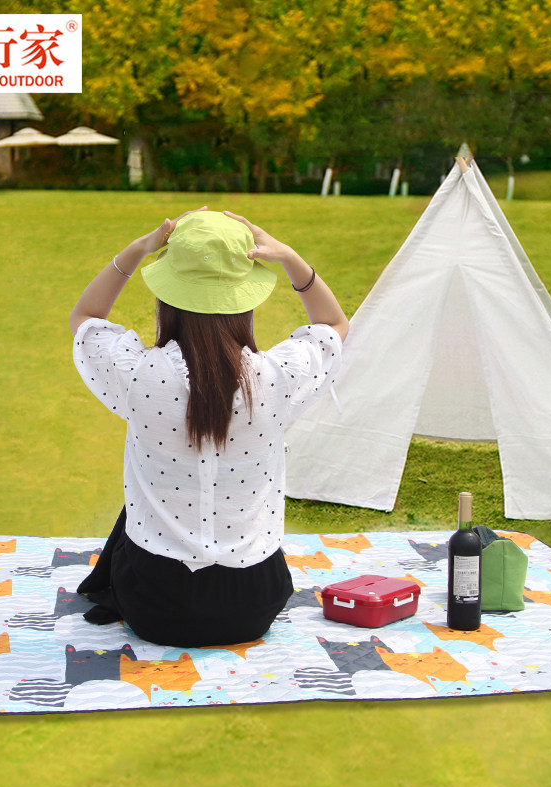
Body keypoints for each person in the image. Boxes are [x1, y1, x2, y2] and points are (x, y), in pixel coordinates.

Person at [69, 208, 349, 647]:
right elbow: (333, 325)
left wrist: (137, 249)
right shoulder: (278, 378)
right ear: (245, 301)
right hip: (254, 604)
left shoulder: (137, 374)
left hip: (154, 605)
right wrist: (291, 259)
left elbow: (85, 317)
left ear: (166, 297)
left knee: (136, 513)